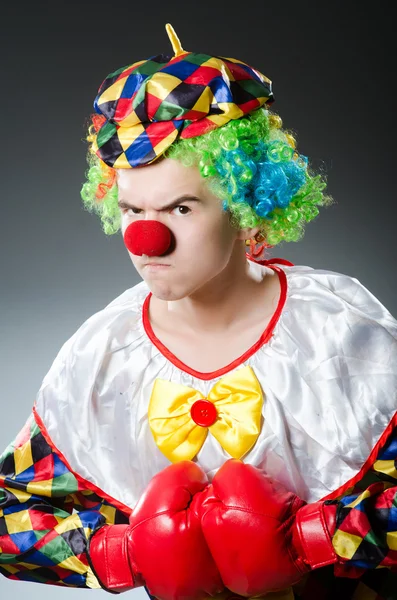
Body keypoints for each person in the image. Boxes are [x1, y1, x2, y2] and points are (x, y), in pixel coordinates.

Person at [1, 22, 397, 600]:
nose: (146, 240)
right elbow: (11, 516)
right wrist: (125, 550)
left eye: (181, 208)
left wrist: (314, 541)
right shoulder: (105, 350)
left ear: (246, 205)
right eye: (133, 208)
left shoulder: (337, 328)